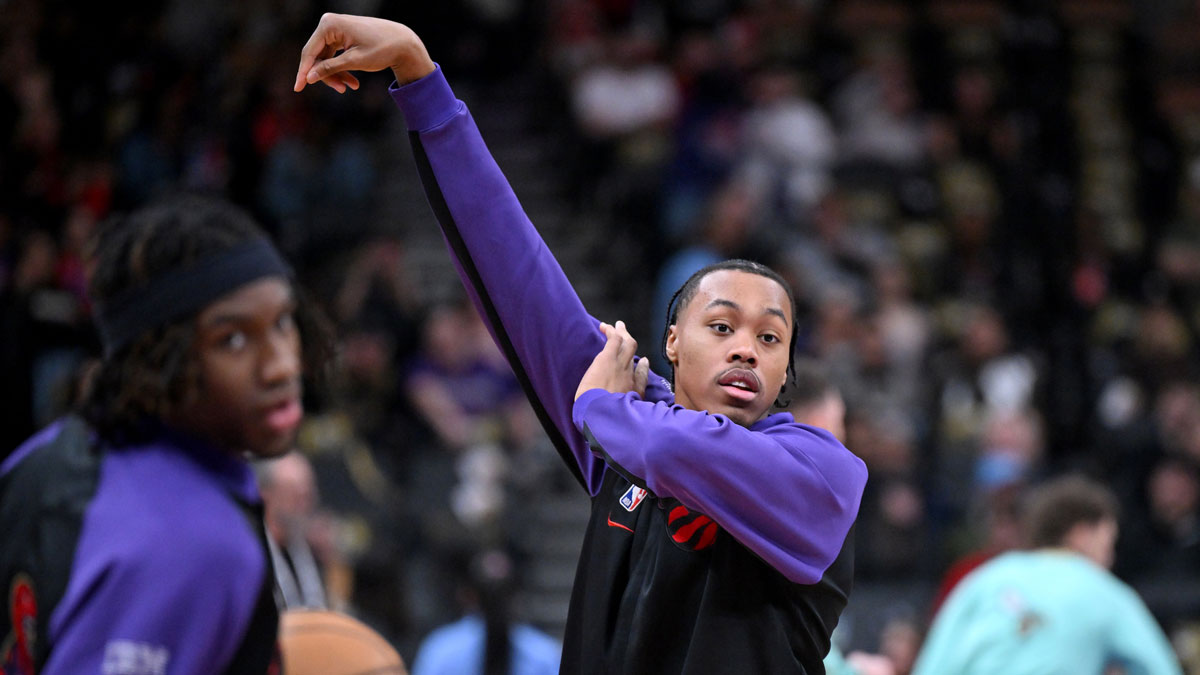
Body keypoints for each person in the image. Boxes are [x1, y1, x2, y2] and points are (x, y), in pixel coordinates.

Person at [295, 15, 867, 673]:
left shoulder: (819, 471)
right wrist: (421, 78)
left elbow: (665, 441)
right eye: (722, 325)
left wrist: (599, 408)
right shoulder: (626, 433)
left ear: (786, 369)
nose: (746, 348)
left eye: (770, 337)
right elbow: (514, 270)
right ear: (672, 341)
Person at [0, 196, 330, 674]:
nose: (280, 364)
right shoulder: (198, 545)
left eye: (282, 322)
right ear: (157, 358)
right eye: (232, 339)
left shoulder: (46, 455)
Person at [911, 475, 1183, 675]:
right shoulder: (1106, 592)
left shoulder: (984, 579)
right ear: (1081, 534)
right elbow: (1160, 669)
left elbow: (935, 663)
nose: (1110, 557)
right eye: (1108, 543)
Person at [410, 548, 561, 675]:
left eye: (501, 592)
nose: (496, 603)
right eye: (490, 594)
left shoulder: (543, 654)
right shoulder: (441, 651)